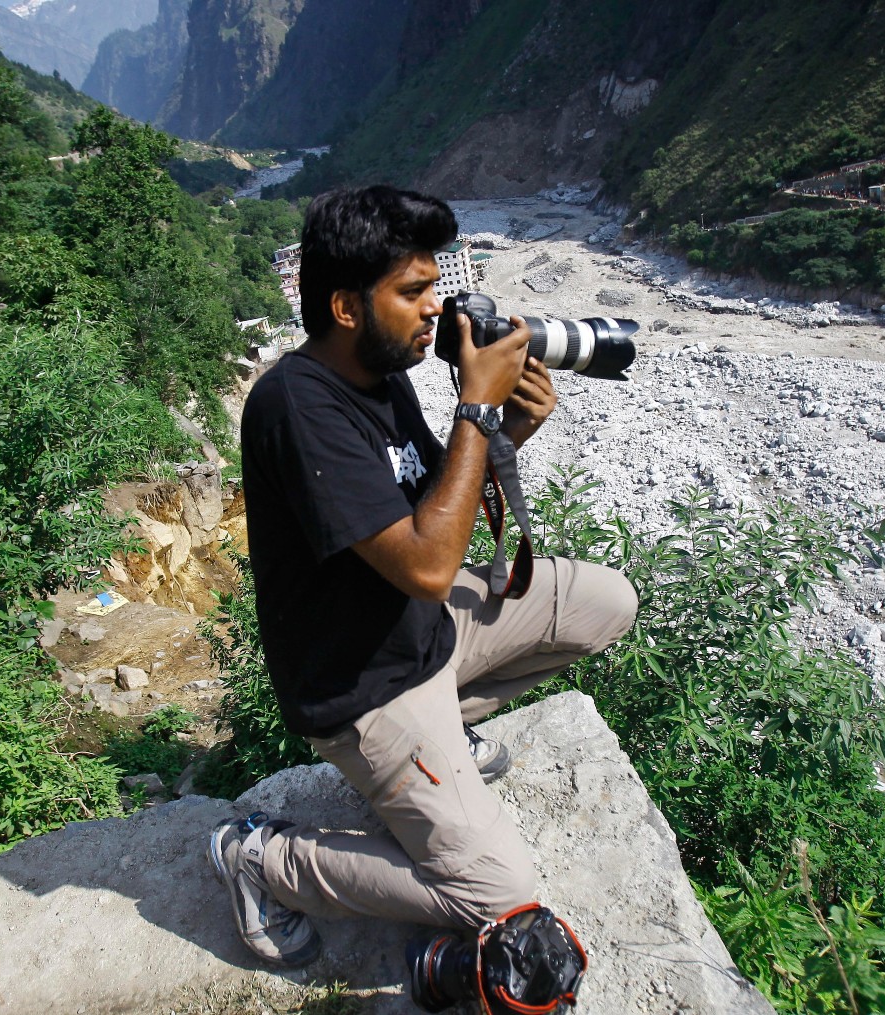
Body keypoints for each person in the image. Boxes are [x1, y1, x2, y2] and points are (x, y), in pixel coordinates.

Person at [207, 185, 639, 969]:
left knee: (609, 602)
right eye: (414, 292)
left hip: (421, 636)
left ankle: (446, 728)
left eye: (435, 286)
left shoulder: (383, 369)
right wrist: (476, 405)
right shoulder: (295, 406)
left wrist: (506, 428)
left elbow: (434, 493)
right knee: (500, 899)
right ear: (345, 306)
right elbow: (431, 562)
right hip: (363, 685)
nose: (435, 310)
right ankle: (261, 858)